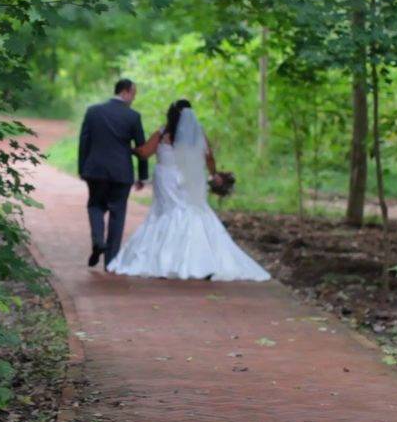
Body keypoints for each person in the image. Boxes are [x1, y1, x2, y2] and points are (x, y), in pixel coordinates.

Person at [106, 99, 270, 282]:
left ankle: (164, 260)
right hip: (187, 178)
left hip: (165, 180)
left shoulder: (162, 134)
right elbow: (208, 157)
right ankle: (199, 260)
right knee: (190, 212)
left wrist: (128, 149)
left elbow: (144, 153)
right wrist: (214, 174)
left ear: (171, 114)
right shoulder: (197, 133)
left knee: (166, 214)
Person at [78, 78, 150, 269]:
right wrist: (142, 175)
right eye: (133, 94)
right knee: (118, 214)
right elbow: (141, 148)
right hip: (122, 173)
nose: (133, 99)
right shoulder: (133, 116)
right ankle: (111, 262)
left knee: (95, 206)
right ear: (125, 92)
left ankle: (98, 240)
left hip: (96, 171)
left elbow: (84, 142)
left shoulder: (93, 112)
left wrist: (82, 169)